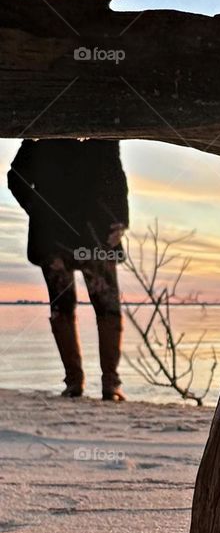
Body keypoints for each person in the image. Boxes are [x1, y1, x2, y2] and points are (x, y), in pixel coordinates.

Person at [7, 139, 129, 401]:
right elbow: (15, 177)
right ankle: (75, 382)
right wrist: (39, 211)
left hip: (97, 234)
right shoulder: (43, 133)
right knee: (63, 307)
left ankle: (109, 383)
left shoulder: (99, 130)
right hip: (55, 236)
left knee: (107, 307)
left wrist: (121, 220)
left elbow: (115, 174)